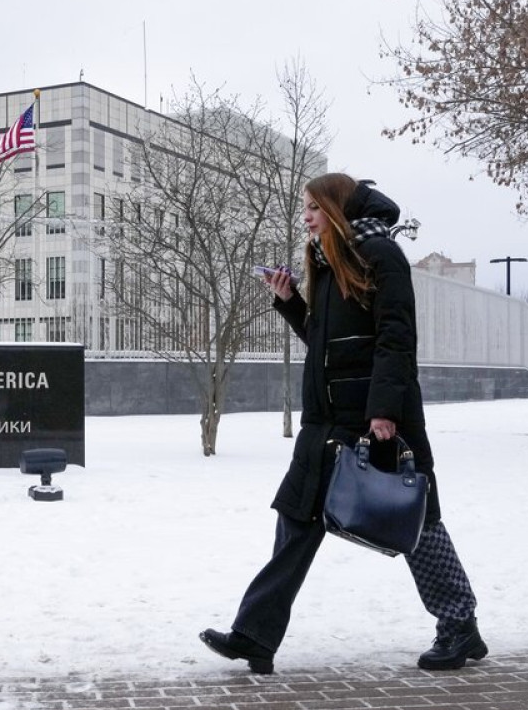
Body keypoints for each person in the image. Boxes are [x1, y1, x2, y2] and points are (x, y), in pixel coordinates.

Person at [200, 173, 487, 674]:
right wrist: (290, 301)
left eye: (313, 207)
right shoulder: (328, 260)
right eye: (304, 208)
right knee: (295, 521)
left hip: (375, 419)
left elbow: (396, 338)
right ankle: (255, 636)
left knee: (415, 522)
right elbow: (328, 343)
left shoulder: (382, 255)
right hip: (324, 424)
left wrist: (384, 410)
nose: (306, 216)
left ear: (336, 207)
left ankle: (459, 625)